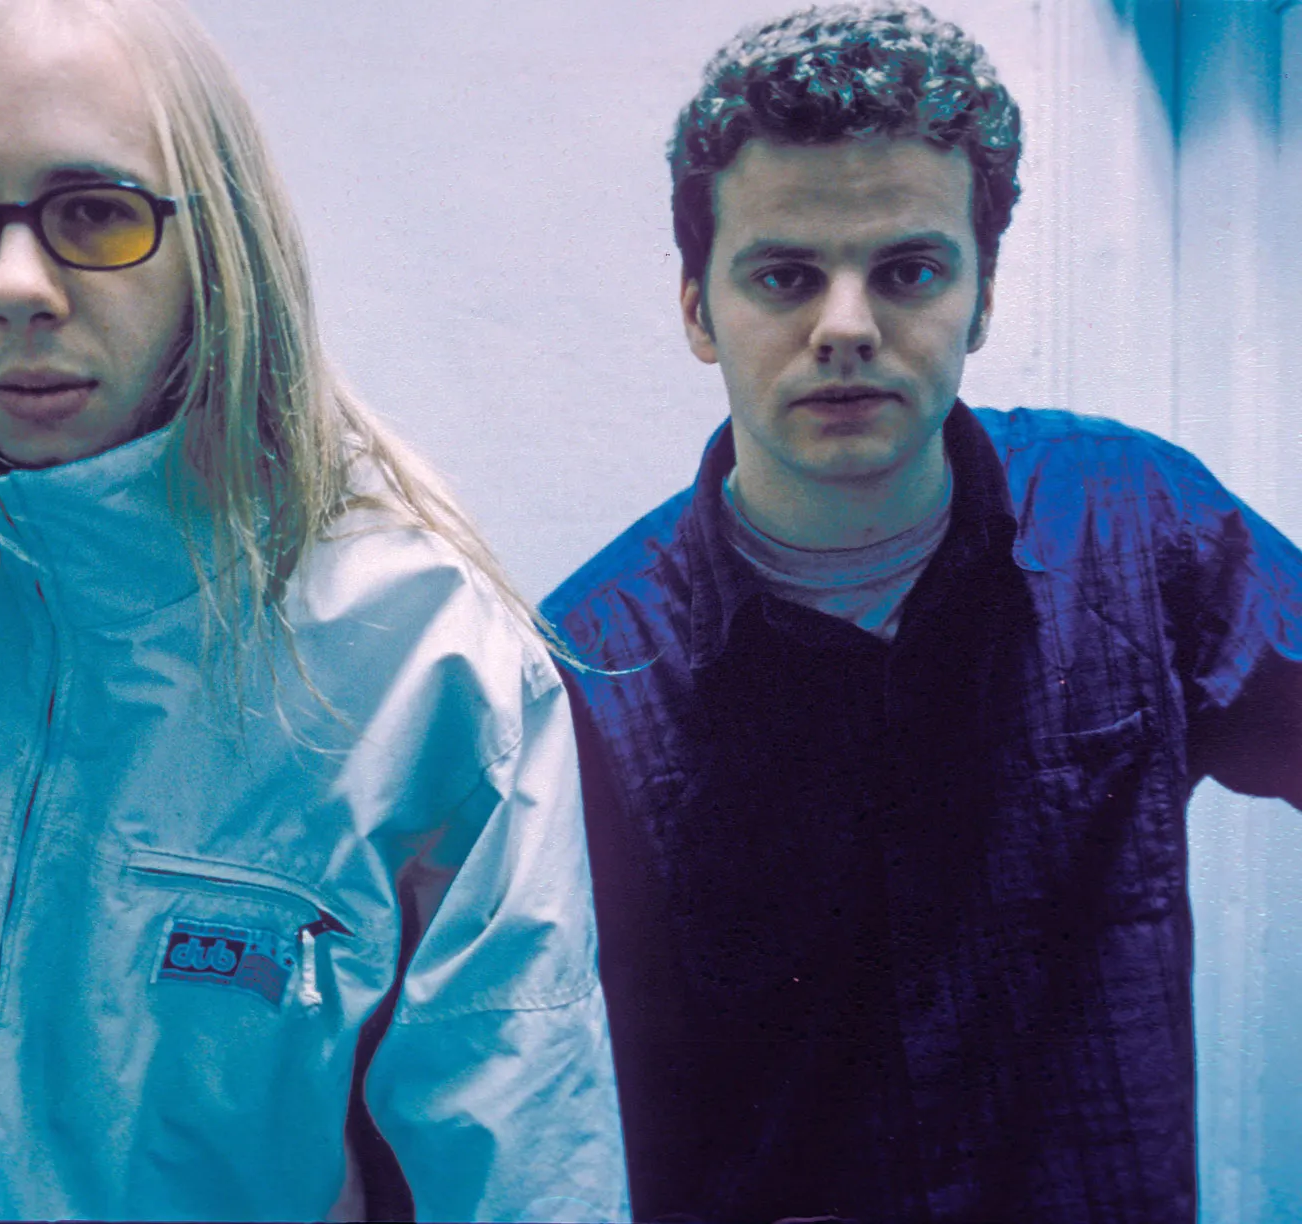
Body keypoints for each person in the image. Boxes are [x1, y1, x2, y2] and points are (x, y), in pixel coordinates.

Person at [0, 0, 628, 1219]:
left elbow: (525, 1180)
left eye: (95, 212)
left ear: (219, 238)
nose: (16, 286)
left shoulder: (422, 657)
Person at [542, 4, 1302, 1221]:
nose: (845, 327)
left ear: (981, 296)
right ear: (696, 308)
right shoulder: (589, 672)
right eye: (785, 276)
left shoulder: (1136, 523)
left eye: (907, 271)